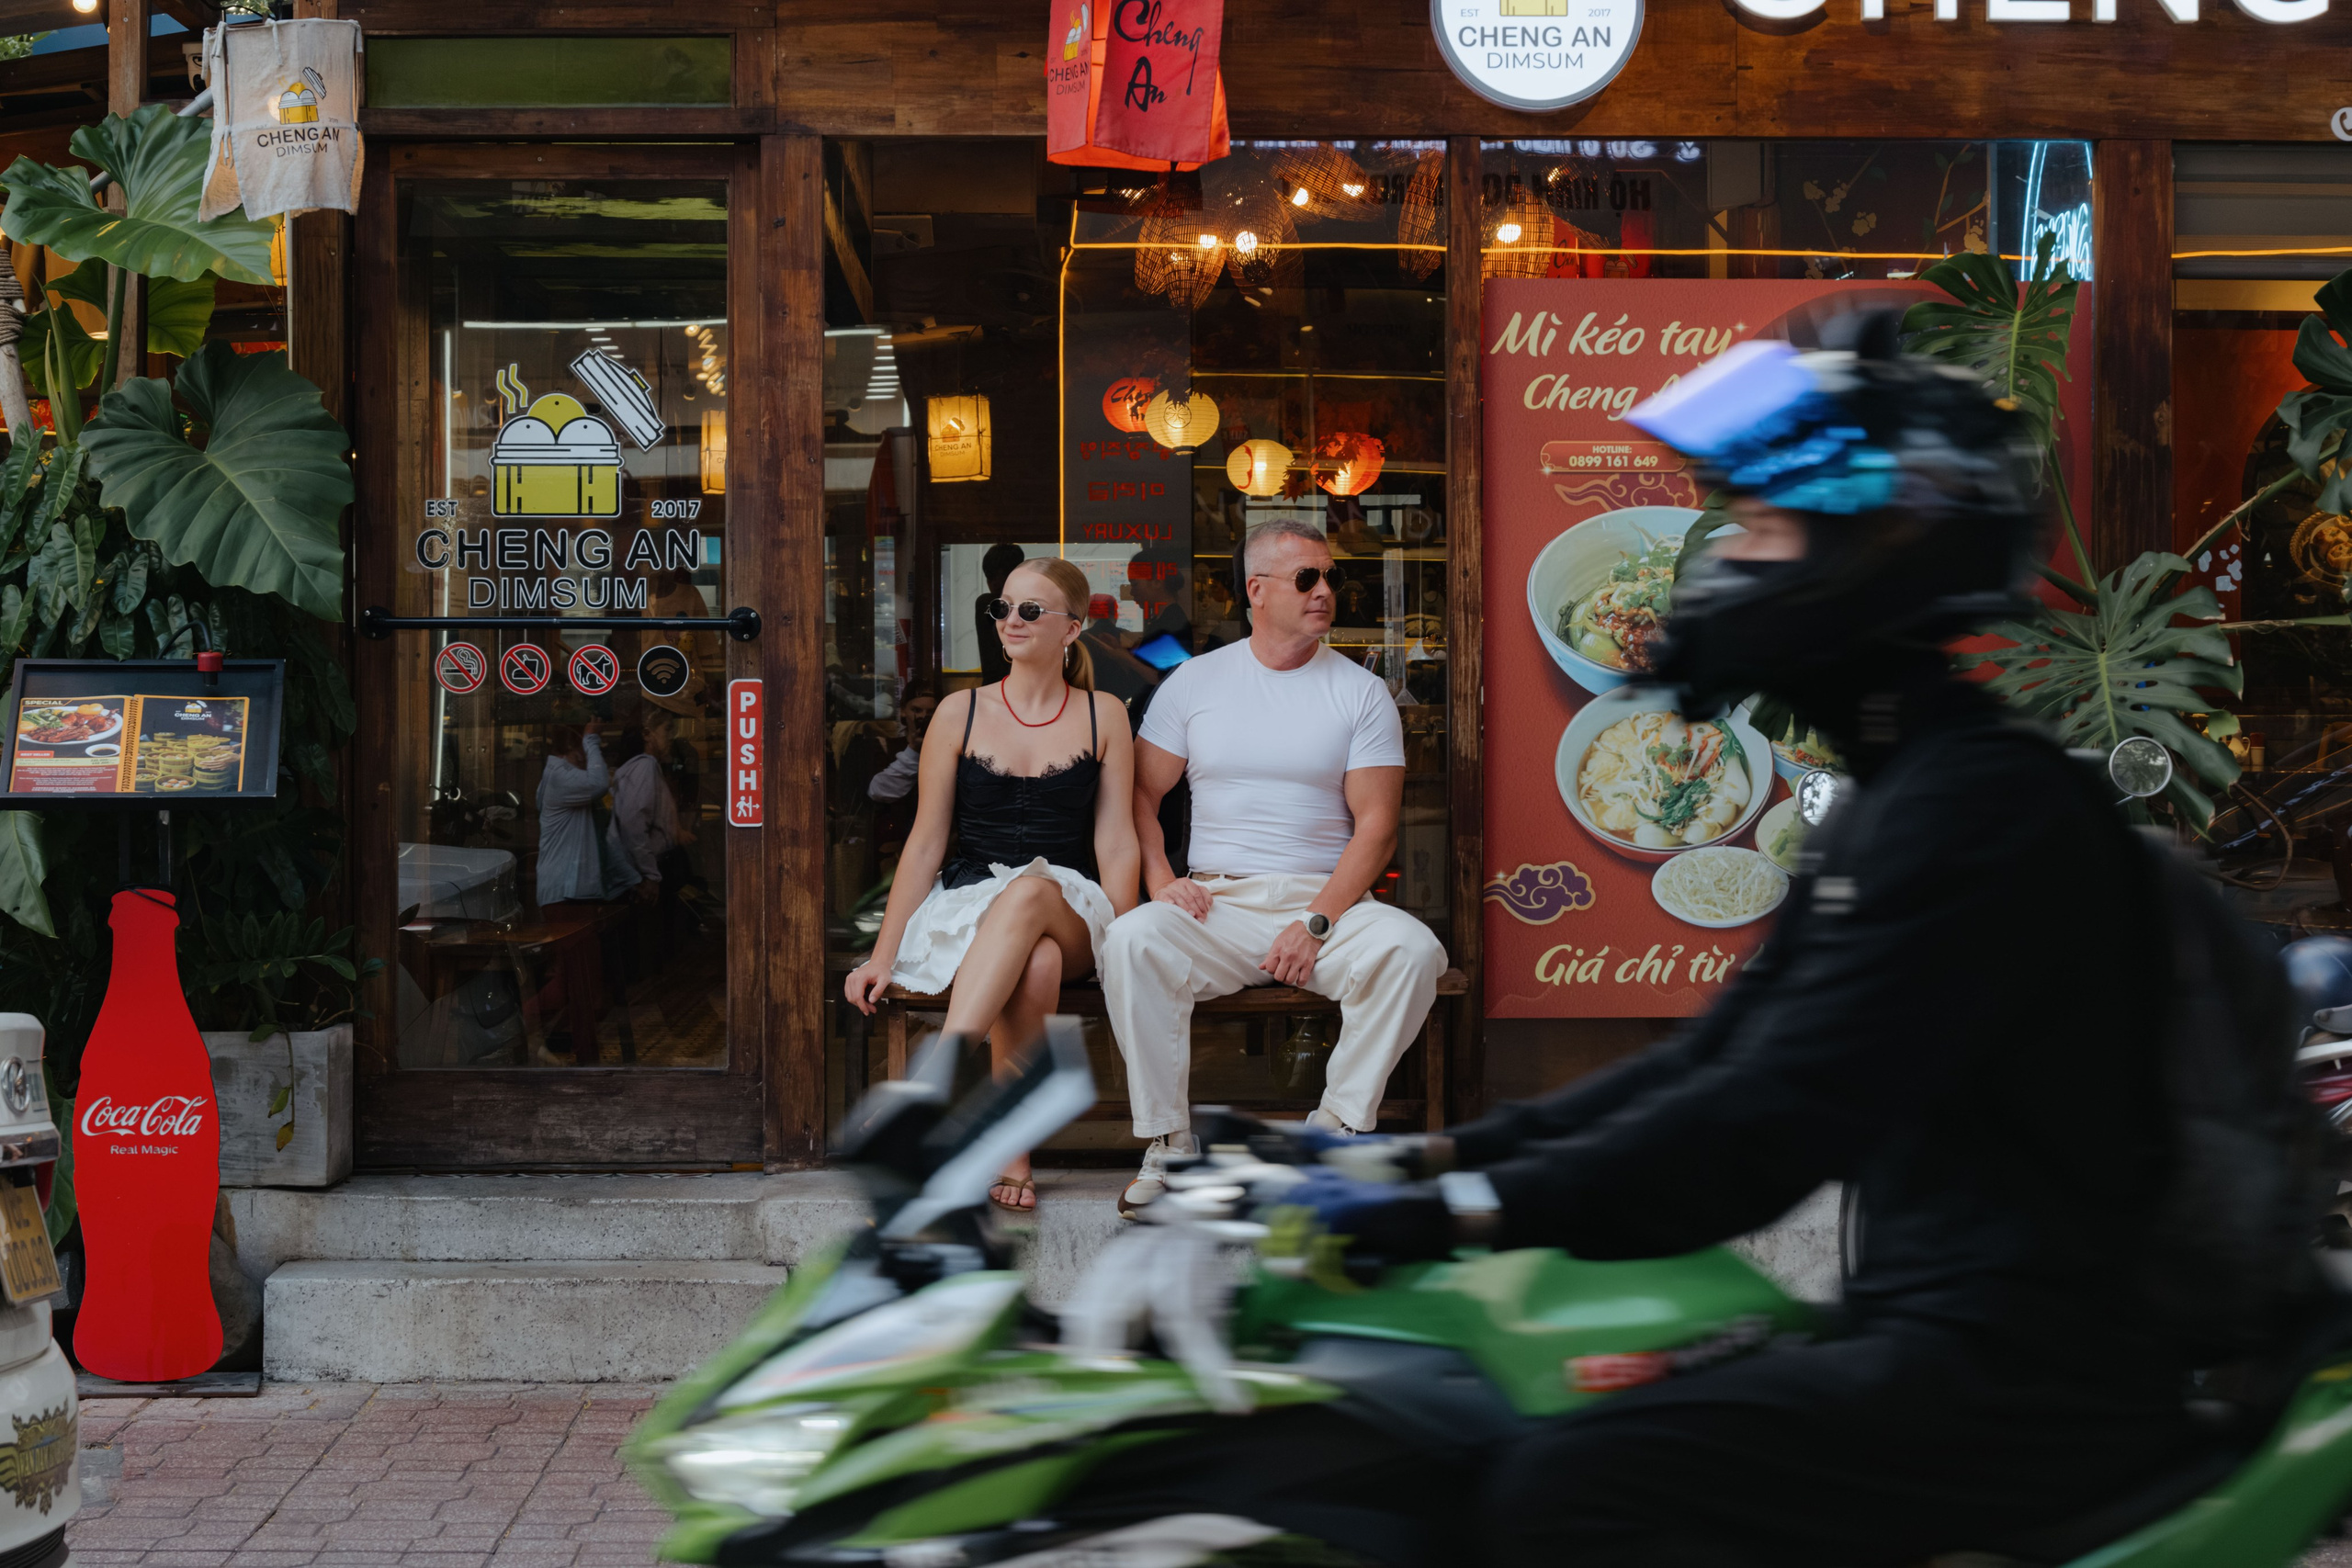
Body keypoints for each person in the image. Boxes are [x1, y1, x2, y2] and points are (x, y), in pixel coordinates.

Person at [1260, 320, 2215, 1567]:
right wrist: (1419, 1158)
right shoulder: (1902, 792)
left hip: (2024, 1381)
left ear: (1871, 559)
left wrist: (1454, 1208)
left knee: (1565, 1483)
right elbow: (1708, 1063)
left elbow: (1756, 1132)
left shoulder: (1981, 811)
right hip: (1940, 1335)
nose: (1723, 564)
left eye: (1763, 528)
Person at [1101, 517, 1446, 1218]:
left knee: (1415, 952)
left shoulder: (1360, 691)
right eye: (1306, 577)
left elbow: (1377, 828)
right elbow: (1140, 794)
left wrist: (1317, 920)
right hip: (1218, 901)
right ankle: (1169, 1142)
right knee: (1132, 940)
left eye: (1331, 577)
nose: (1325, 591)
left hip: (1326, 902)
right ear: (1256, 590)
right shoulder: (1193, 682)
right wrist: (1162, 880)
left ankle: (1335, 1132)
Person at [845, 556, 1139, 1212]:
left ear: (1072, 628)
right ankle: (1013, 1150)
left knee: (1030, 892)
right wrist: (882, 955)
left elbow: (1118, 841)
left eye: (1030, 610)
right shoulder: (960, 712)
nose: (1011, 620)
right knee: (1036, 964)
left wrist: (1124, 948)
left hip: (1071, 902)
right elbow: (926, 842)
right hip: (972, 903)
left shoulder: (1105, 714)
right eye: (1001, 608)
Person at [537, 718, 639, 906]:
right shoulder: (558, 774)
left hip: (579, 892)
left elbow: (606, 841)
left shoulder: (577, 788)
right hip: (563, 893)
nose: (589, 761)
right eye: (585, 752)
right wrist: (591, 739)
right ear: (573, 748)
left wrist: (632, 879)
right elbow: (598, 783)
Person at [866, 685, 939, 806]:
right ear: (903, 711)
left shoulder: (947, 749)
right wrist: (914, 750)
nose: (923, 717)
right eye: (916, 710)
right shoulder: (887, 746)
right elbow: (877, 792)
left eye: (930, 712)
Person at [975, 543, 1026, 686]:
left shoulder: (1027, 603)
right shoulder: (988, 603)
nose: (995, 583)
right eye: (990, 577)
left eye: (1002, 576)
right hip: (1001, 684)